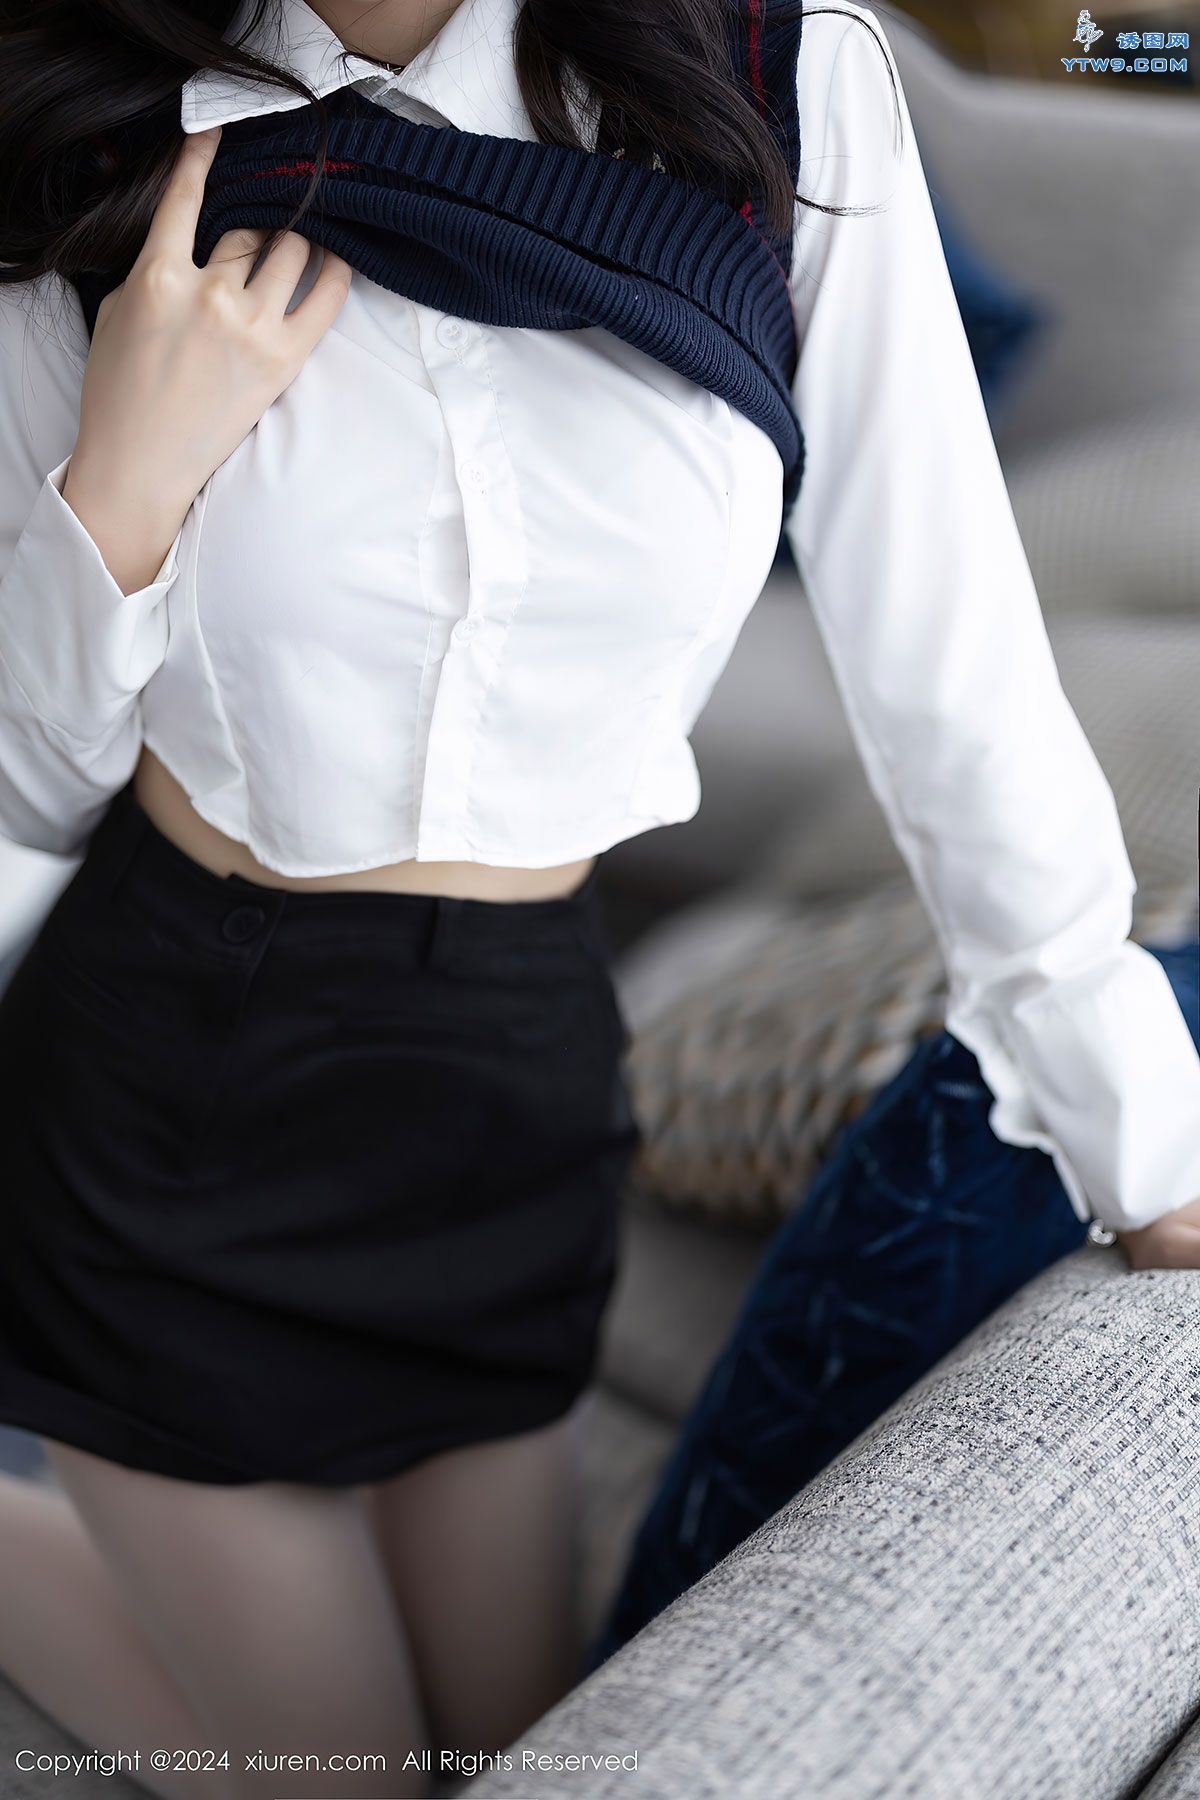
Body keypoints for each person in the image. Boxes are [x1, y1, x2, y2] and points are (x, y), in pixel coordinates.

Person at [0, 0, 1198, 1794]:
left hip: (519, 1081)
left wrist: (1146, 1145)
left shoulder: (777, 80)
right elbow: (32, 781)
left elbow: (951, 663)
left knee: (534, 1740)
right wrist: (124, 485)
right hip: (178, 1098)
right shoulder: (96, 132)